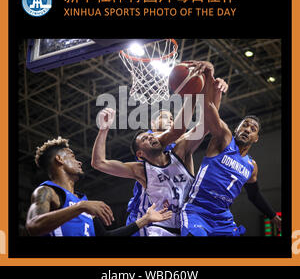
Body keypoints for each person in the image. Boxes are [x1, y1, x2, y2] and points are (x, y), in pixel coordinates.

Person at [91, 62, 229, 236]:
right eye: (164, 116)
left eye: (171, 117)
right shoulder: (148, 153)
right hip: (149, 221)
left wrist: (209, 83)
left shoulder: (179, 147)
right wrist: (103, 130)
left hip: (186, 223)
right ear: (152, 124)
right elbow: (99, 163)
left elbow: (204, 125)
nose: (169, 119)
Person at [181, 66, 281, 237]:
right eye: (245, 125)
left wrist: (273, 217)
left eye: (253, 128)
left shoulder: (252, 166)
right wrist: (208, 77)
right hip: (197, 211)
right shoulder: (224, 140)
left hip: (222, 218)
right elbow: (209, 108)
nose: (247, 129)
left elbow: (254, 195)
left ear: (256, 138)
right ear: (237, 129)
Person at [25, 137, 172, 236]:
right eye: (72, 156)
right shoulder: (47, 191)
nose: (79, 162)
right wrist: (80, 207)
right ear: (59, 159)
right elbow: (33, 225)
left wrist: (145, 219)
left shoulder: (82, 200)